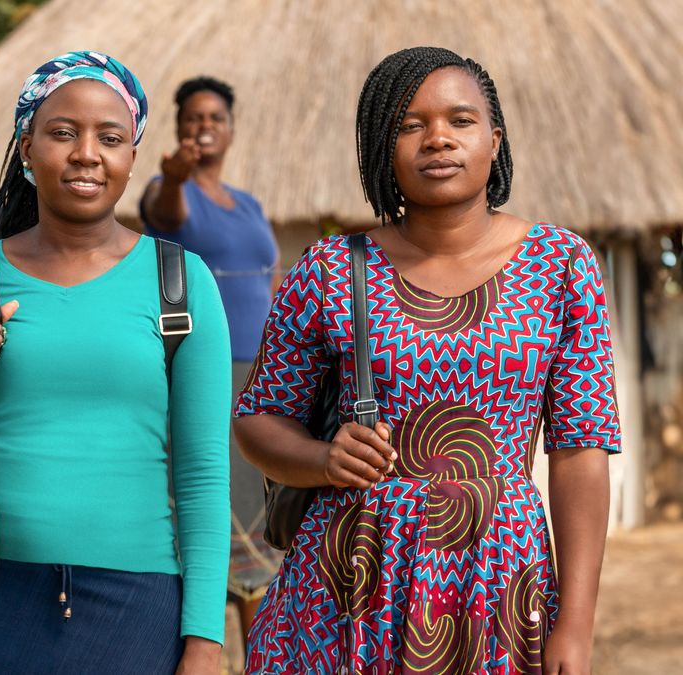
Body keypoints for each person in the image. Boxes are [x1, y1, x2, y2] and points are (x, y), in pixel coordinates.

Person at [234, 46, 620, 674]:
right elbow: (258, 421)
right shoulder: (331, 269)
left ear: (495, 140)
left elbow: (581, 452)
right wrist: (323, 459)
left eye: (460, 121)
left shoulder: (562, 265)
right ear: (380, 149)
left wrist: (574, 624)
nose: (438, 139)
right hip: (347, 581)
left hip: (499, 582)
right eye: (410, 125)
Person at [0, 51, 230, 674]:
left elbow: (204, 473)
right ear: (26, 149)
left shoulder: (181, 284)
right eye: (62, 133)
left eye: (109, 137)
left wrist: (205, 637)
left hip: (136, 606)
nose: (86, 153)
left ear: (132, 156)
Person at [140, 76, 283, 624]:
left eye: (214, 118)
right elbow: (166, 213)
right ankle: (200, 639)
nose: (204, 127)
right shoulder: (167, 189)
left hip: (262, 374)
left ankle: (261, 655)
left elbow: (268, 280)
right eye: (194, 118)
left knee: (259, 509)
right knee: (208, 500)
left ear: (231, 128)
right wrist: (175, 176)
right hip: (202, 369)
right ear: (178, 129)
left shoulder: (248, 204)